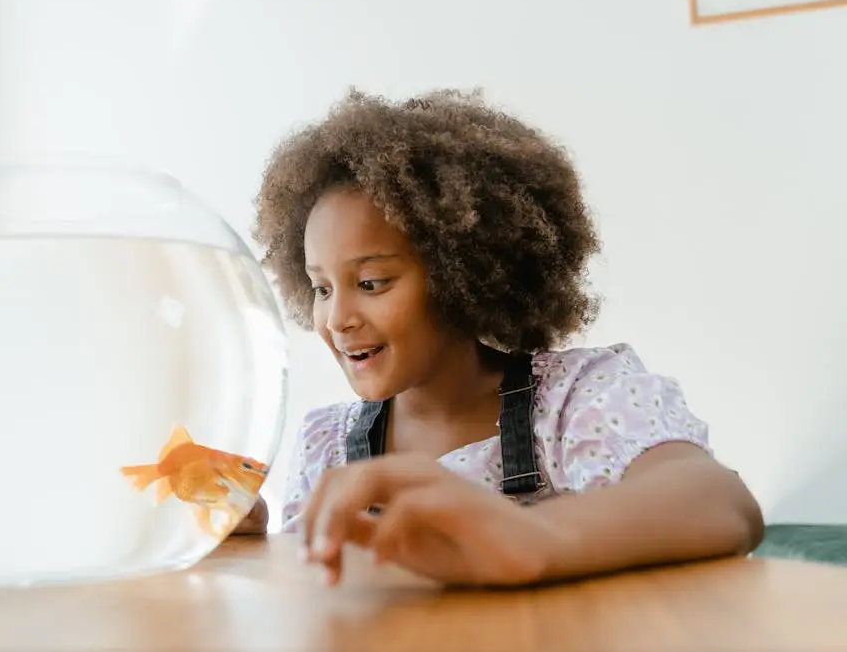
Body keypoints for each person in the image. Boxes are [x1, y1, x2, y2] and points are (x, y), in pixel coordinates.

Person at [239, 87, 764, 587]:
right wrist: (252, 541)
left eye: (371, 283)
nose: (336, 319)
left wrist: (534, 535)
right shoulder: (325, 445)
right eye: (322, 288)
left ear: (460, 274)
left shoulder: (573, 402)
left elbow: (721, 502)